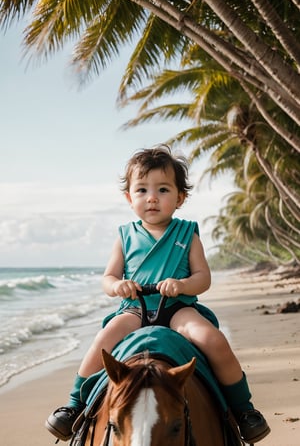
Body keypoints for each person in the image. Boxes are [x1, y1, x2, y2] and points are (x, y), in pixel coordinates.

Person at [45, 145, 270, 443]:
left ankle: (244, 410)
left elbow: (203, 278)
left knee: (213, 340)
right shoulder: (125, 236)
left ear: (179, 198)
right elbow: (108, 277)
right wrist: (117, 286)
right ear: (129, 198)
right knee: (103, 339)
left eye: (163, 190)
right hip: (135, 309)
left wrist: (182, 285)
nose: (152, 197)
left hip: (177, 308)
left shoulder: (187, 234)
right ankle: (74, 405)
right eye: (141, 190)